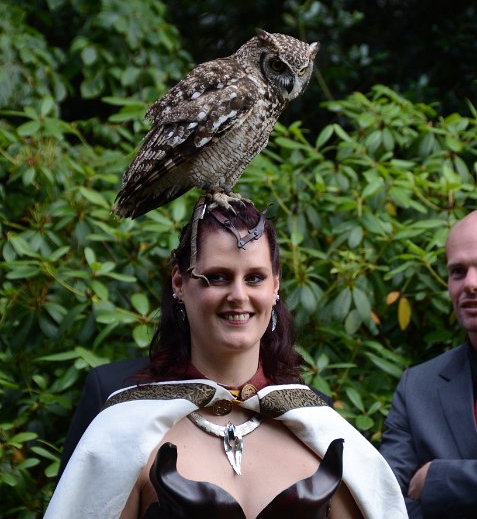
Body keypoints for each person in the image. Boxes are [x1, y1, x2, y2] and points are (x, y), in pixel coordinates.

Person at [45, 197, 406, 518]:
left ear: (275, 286)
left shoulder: (316, 424)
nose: (238, 295)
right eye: (218, 277)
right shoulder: (124, 426)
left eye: (255, 278)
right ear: (179, 283)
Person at [380, 210, 477, 518]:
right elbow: (386, 500)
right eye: (458, 271)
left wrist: (441, 479)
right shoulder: (418, 387)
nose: (470, 283)